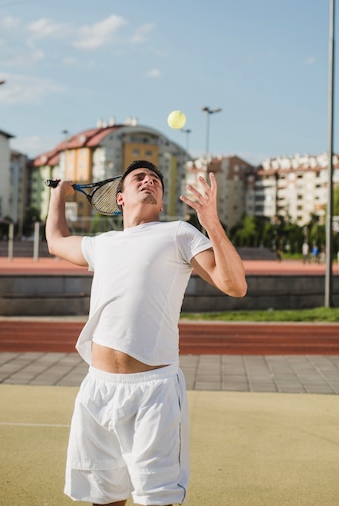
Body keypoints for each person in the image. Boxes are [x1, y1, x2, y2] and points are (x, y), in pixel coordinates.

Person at [46, 160, 247, 506]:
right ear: (120, 198)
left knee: (157, 500)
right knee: (104, 500)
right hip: (98, 389)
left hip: (154, 393)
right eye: (139, 177)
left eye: (155, 179)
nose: (149, 181)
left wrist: (212, 223)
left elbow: (234, 285)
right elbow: (56, 240)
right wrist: (57, 194)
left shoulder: (179, 234)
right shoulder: (102, 243)